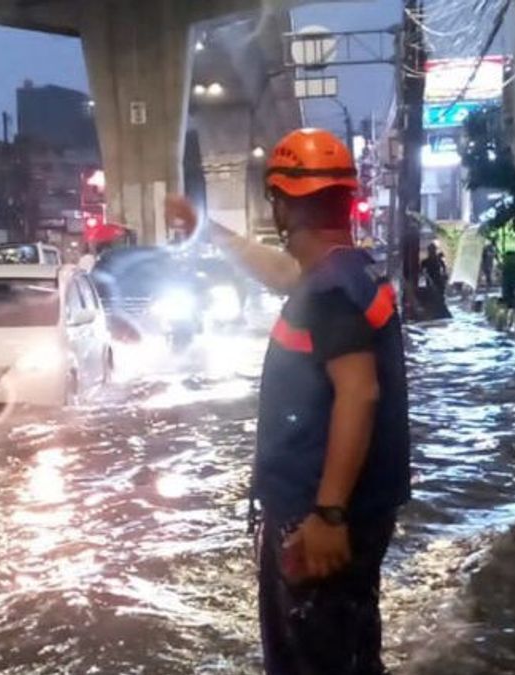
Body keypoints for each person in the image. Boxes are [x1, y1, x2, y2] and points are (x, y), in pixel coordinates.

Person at [167, 128, 411, 674]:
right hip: (355, 511)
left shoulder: (328, 295)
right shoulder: (349, 272)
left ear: (280, 207)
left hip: (315, 517)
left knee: (308, 659)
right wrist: (209, 231)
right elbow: (283, 273)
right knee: (347, 653)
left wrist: (327, 513)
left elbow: (359, 392)